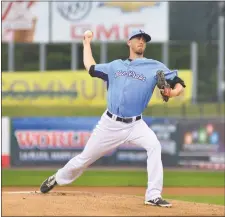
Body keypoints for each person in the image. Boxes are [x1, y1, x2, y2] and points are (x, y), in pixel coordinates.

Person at [40, 29, 186, 208]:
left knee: (154, 145)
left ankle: (153, 195)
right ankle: (58, 178)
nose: (141, 41)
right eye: (137, 38)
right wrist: (86, 44)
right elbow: (91, 68)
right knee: (84, 159)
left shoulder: (154, 66)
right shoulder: (115, 66)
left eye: (144, 40)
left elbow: (178, 83)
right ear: (128, 42)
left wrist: (173, 92)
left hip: (135, 124)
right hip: (109, 124)